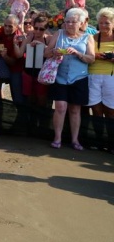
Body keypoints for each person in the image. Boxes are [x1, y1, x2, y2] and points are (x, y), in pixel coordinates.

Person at [44, 8, 95, 150]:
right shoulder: (58, 34)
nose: (70, 24)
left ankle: (75, 140)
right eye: (67, 22)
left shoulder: (87, 37)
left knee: (75, 109)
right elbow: (46, 52)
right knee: (60, 107)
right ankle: (57, 138)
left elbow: (91, 58)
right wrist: (54, 52)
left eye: (73, 22)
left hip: (79, 77)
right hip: (59, 76)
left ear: (80, 23)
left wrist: (78, 54)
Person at [89, 7, 114, 152]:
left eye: (107, 23)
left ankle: (111, 142)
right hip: (93, 76)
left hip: (111, 76)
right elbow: (88, 56)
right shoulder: (93, 38)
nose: (103, 26)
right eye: (101, 23)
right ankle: (99, 141)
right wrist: (96, 56)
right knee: (96, 109)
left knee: (111, 111)